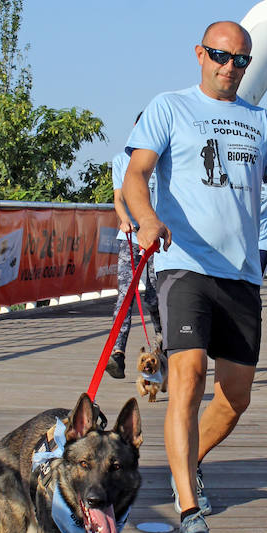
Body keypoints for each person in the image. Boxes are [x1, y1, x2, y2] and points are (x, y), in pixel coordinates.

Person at [122, 20, 267, 533]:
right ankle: (191, 515)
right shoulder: (169, 107)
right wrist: (146, 219)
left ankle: (185, 463)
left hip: (241, 274)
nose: (230, 67)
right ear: (200, 53)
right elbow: (135, 176)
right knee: (186, 377)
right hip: (182, 264)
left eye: (241, 60)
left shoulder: (263, 121)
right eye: (220, 56)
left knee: (235, 398)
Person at [106, 116, 162, 379]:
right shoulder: (121, 161)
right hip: (130, 236)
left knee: (154, 295)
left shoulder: (165, 160)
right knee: (125, 295)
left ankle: (163, 344)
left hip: (158, 240)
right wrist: (125, 219)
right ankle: (117, 352)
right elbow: (119, 198)